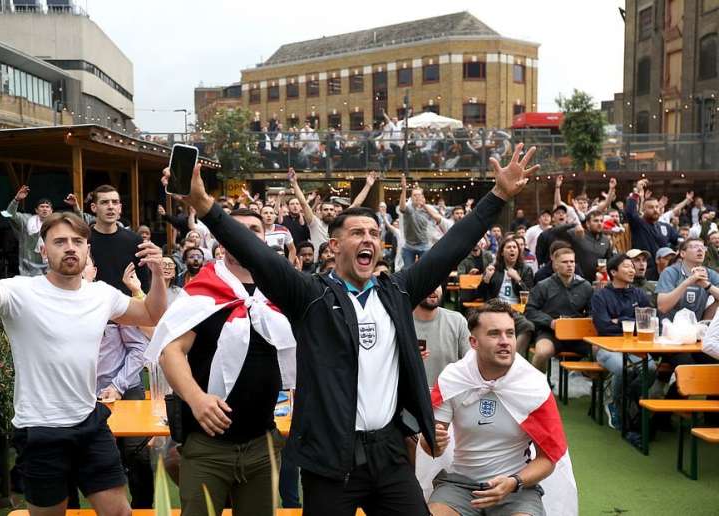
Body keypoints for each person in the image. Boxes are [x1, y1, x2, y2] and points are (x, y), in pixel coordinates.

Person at [164, 142, 539, 515]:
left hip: (389, 454)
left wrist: (498, 195)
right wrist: (206, 207)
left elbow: (449, 250)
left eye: (374, 234)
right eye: (357, 232)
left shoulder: (396, 293)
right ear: (334, 245)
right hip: (330, 460)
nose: (368, 240)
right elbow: (256, 253)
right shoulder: (309, 295)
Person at [0, 211, 166, 516]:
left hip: (90, 422)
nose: (70, 247)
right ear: (43, 250)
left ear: (87, 250)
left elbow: (152, 315)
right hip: (40, 429)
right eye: (59, 241)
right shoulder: (20, 292)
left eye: (78, 241)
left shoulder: (102, 295)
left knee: (120, 512)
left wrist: (159, 275)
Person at [150, 209, 296, 516]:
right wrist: (197, 399)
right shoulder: (203, 291)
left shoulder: (281, 289)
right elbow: (171, 351)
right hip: (207, 446)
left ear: (265, 239)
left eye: (254, 229)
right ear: (222, 241)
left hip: (262, 443)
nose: (245, 236)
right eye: (236, 229)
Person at [424, 300, 573, 516]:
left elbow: (548, 457)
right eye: (494, 334)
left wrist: (514, 481)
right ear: (473, 342)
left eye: (510, 333)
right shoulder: (454, 378)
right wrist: (430, 442)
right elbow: (433, 447)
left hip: (516, 488)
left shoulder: (533, 385)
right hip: (461, 485)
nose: (505, 341)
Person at [88, 184, 154, 508]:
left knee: (138, 449)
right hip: (91, 323)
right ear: (94, 207)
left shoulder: (132, 242)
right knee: (95, 453)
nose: (112, 207)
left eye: (116, 202)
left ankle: (145, 507)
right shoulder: (85, 240)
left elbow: (146, 290)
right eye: (105, 202)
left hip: (126, 324)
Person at [590, 253, 656, 429]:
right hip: (607, 346)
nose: (632, 270)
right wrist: (630, 321)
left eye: (632, 266)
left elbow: (648, 322)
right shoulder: (600, 296)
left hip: (634, 345)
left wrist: (618, 320)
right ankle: (614, 403)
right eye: (627, 266)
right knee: (621, 368)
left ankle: (624, 397)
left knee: (650, 368)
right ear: (613, 271)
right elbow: (603, 327)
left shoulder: (639, 294)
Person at [525, 246, 593, 372]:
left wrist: (586, 321)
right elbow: (530, 311)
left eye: (572, 262)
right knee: (542, 353)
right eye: (565, 262)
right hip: (550, 332)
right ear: (555, 265)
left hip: (577, 334)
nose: (569, 265)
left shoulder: (585, 286)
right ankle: (538, 388)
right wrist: (550, 322)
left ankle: (595, 383)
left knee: (600, 351)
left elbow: (592, 312)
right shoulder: (543, 285)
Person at [479, 237, 535, 355]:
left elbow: (530, 294)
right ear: (502, 252)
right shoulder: (493, 269)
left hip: (517, 310)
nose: (512, 250)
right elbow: (479, 295)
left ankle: (514, 358)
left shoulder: (525, 270)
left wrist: (518, 279)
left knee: (528, 327)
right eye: (508, 247)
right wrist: (486, 279)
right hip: (496, 308)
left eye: (515, 247)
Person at [413, 285, 470, 387]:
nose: (434, 288)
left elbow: (471, 363)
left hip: (448, 397)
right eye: (427, 282)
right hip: (411, 398)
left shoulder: (457, 321)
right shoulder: (400, 323)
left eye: (438, 283)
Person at [625, 179, 679, 279]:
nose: (655, 210)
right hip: (645, 271)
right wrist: (636, 192)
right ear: (643, 210)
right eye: (651, 207)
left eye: (657, 207)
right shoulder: (639, 224)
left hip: (665, 272)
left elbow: (678, 241)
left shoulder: (665, 226)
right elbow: (630, 212)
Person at [656, 237, 719, 321]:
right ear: (682, 253)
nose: (700, 249)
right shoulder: (670, 272)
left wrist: (707, 285)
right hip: (670, 328)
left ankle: (705, 324)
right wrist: (689, 281)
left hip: (696, 329)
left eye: (702, 247)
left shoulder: (710, 274)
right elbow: (662, 307)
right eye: (694, 247)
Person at [1, 185, 53, 276]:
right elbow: (9, 214)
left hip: (50, 267)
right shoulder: (27, 220)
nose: (45, 209)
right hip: (29, 268)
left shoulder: (57, 224)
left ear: (51, 211)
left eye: (47, 207)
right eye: (42, 206)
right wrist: (16, 199)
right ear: (36, 210)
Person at [398, 175, 434, 266]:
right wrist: (404, 189)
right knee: (407, 270)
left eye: (419, 195)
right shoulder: (409, 208)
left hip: (424, 244)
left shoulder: (427, 209)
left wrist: (424, 205)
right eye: (414, 195)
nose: (417, 197)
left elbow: (437, 217)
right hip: (409, 246)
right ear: (411, 198)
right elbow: (402, 208)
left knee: (424, 269)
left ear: (423, 197)